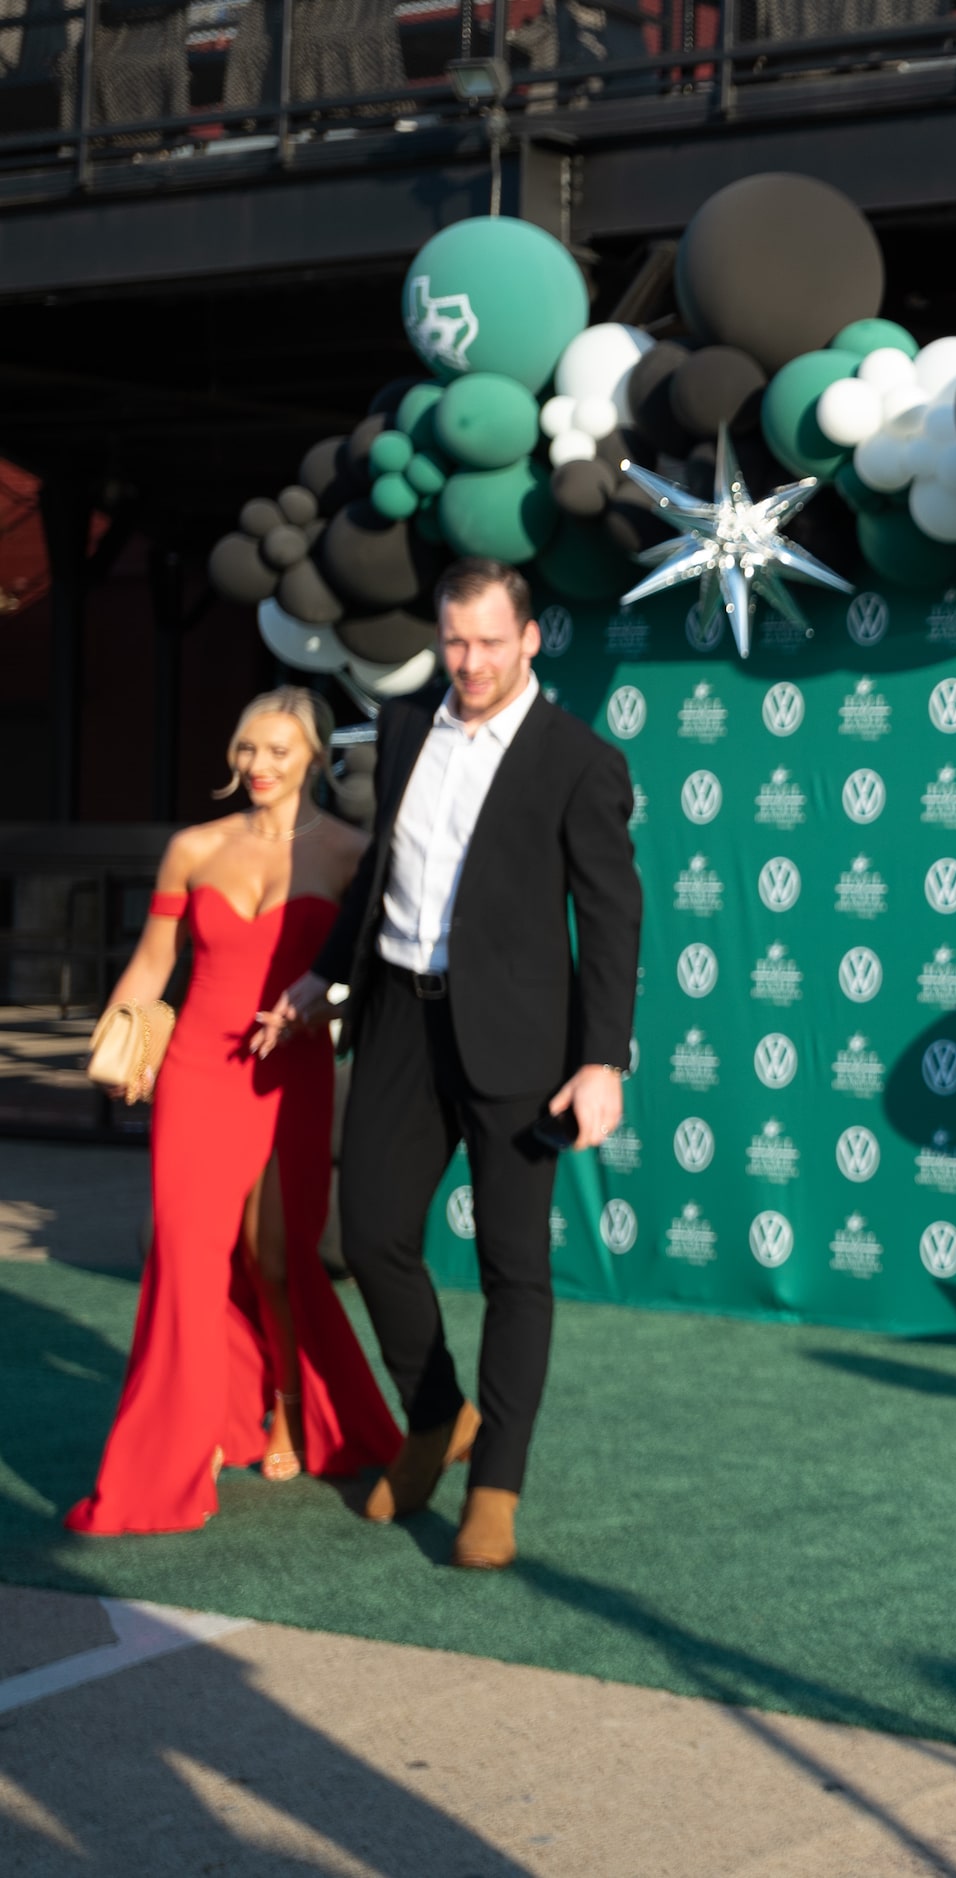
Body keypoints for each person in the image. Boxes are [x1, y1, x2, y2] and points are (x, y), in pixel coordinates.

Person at [260, 557, 640, 1571]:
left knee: (515, 1268)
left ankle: (496, 1485)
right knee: (376, 1232)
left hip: (519, 1048)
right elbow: (379, 871)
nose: (466, 662)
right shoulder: (399, 730)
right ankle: (435, 1415)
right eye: (453, 641)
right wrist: (321, 979)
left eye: (486, 642)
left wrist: (602, 1060)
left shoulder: (577, 760)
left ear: (530, 641)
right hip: (395, 1018)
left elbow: (610, 921)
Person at [66, 688, 404, 1536]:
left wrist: (323, 1010)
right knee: (184, 1261)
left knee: (279, 1259)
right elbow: (152, 964)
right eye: (247, 749)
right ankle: (186, 1440)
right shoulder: (193, 847)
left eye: (278, 752)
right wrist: (115, 1044)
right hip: (195, 1075)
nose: (258, 767)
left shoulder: (352, 855)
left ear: (318, 760)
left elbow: (366, 978)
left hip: (292, 1078)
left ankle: (287, 1409)